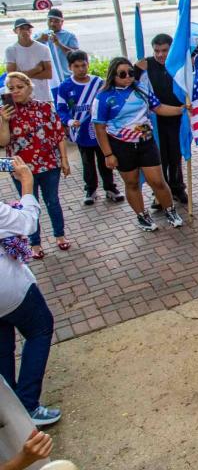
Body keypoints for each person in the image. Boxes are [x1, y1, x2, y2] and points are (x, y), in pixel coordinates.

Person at [0, 155, 61, 426]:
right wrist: (26, 183)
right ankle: (27, 404)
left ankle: (9, 409)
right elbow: (27, 222)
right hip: (9, 287)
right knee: (40, 327)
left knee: (2, 342)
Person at [92, 57, 185, 232]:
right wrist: (108, 154)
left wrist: (181, 109)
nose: (128, 77)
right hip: (121, 146)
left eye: (131, 73)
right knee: (132, 183)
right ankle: (142, 216)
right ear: (113, 75)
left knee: (158, 181)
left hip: (146, 143)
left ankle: (170, 211)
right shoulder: (103, 97)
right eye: (122, 74)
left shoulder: (142, 89)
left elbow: (158, 108)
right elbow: (99, 127)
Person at [0, 73, 70, 258]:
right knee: (28, 204)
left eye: (19, 87)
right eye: (11, 88)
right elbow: (3, 142)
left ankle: (60, 235)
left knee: (52, 201)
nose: (15, 91)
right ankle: (35, 243)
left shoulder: (45, 107)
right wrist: (4, 121)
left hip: (48, 163)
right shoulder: (4, 111)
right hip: (19, 168)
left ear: (29, 87)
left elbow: (58, 134)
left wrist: (64, 159)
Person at [56, 51, 123, 206]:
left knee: (105, 159)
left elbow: (110, 101)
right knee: (87, 163)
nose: (81, 69)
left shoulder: (98, 83)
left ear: (88, 64)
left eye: (83, 65)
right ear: (70, 67)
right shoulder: (65, 86)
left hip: (100, 131)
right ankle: (90, 190)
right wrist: (70, 121)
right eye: (76, 66)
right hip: (81, 133)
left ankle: (110, 188)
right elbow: (60, 109)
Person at [134, 33, 189, 206]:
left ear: (171, 49)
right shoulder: (145, 65)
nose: (160, 55)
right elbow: (127, 82)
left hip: (176, 118)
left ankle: (178, 188)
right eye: (157, 51)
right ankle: (159, 192)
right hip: (154, 121)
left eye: (164, 50)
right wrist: (136, 69)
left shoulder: (178, 63)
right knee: (159, 158)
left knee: (175, 155)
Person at [4, 19, 53, 103]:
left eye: (27, 28)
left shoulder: (43, 48)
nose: (25, 31)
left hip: (43, 96)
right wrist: (36, 70)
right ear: (15, 31)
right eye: (21, 28)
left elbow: (48, 74)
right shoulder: (11, 50)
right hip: (20, 97)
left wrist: (22, 74)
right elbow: (12, 75)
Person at [33, 8, 78, 91]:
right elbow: (29, 50)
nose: (52, 24)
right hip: (48, 79)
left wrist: (59, 44)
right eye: (50, 21)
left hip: (65, 77)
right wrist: (39, 39)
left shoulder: (69, 36)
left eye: (56, 21)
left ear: (62, 22)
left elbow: (76, 55)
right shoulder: (39, 35)